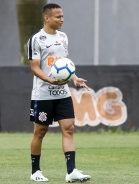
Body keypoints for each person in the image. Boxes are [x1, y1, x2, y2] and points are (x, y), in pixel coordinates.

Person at [27, 3, 91, 183]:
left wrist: (74, 78)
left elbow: (64, 65)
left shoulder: (63, 37)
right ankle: (35, 171)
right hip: (43, 94)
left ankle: (71, 172)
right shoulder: (36, 39)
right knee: (40, 132)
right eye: (58, 17)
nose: (62, 20)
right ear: (47, 18)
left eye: (62, 16)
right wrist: (50, 80)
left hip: (62, 93)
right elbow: (34, 68)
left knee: (69, 128)